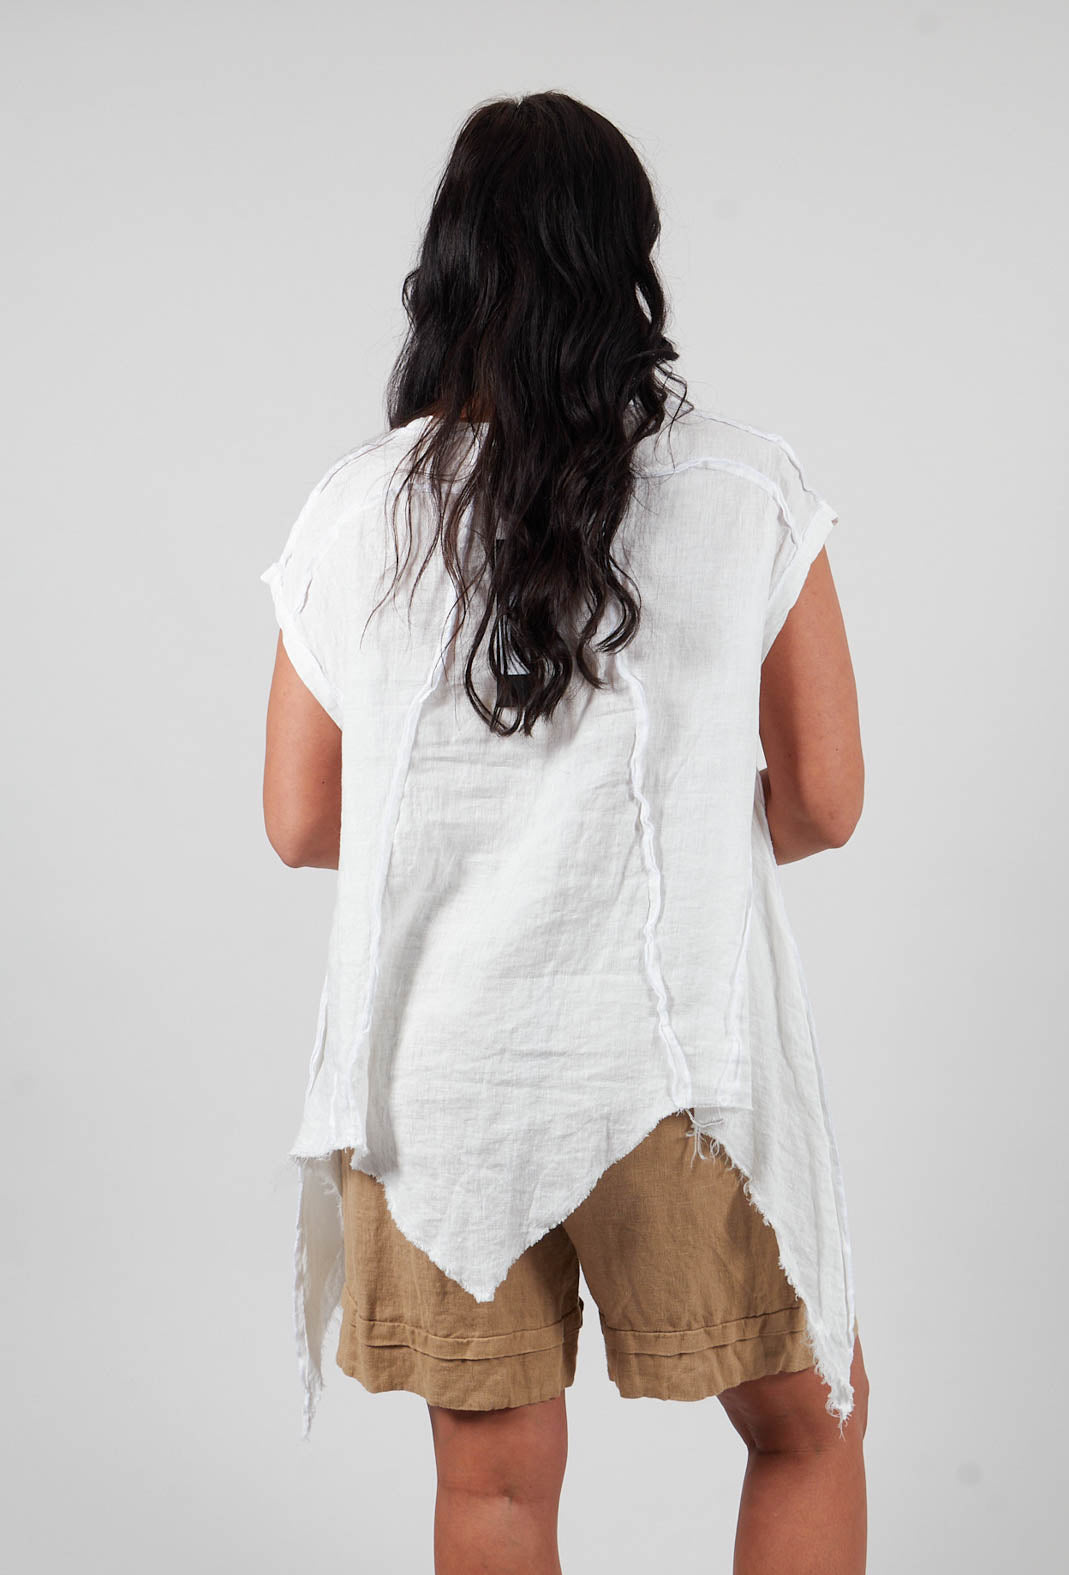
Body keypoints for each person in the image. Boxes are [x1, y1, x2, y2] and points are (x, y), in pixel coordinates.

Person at [260, 90, 869, 1575]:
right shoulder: (743, 489)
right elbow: (826, 798)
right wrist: (670, 837)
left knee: (494, 1489)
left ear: (449, 266)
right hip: (678, 1058)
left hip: (436, 1081)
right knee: (807, 1428)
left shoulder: (357, 511)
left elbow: (301, 819)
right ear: (631, 260)